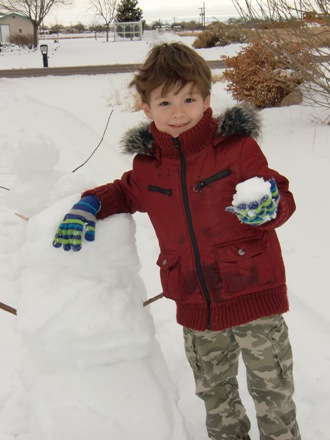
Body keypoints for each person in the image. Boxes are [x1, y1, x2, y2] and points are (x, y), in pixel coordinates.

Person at [52, 42, 301, 440]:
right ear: (147, 108)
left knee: (273, 393)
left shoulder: (237, 149)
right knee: (215, 396)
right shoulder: (149, 166)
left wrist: (269, 207)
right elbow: (125, 191)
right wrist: (90, 203)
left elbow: (278, 196)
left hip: (254, 298)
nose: (178, 111)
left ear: (206, 100)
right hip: (194, 305)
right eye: (165, 102)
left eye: (188, 98)